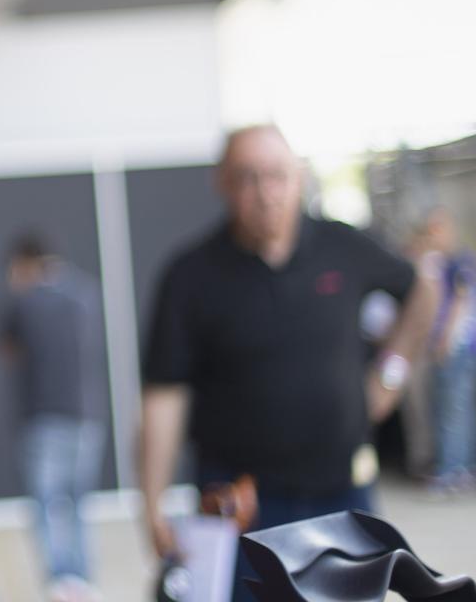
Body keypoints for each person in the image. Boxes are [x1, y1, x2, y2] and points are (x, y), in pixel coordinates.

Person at [138, 125, 438, 602]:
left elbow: (424, 288)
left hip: (343, 496)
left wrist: (392, 374)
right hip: (242, 506)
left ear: (298, 178)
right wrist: (151, 504)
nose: (265, 194)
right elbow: (163, 397)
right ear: (222, 184)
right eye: (248, 179)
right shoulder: (190, 275)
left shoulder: (344, 246)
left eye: (277, 176)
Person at [0, 233, 107, 602]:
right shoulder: (86, 295)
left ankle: (60, 582)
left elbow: (7, 350)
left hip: (42, 417)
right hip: (86, 415)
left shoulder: (24, 300)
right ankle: (83, 578)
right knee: (78, 504)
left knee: (46, 505)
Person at [420, 207, 476, 494]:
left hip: (457, 349)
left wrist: (444, 341)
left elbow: (460, 303)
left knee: (453, 410)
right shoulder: (448, 262)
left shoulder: (460, 261)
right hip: (459, 348)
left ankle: (452, 470)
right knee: (458, 410)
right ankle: (464, 467)